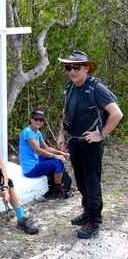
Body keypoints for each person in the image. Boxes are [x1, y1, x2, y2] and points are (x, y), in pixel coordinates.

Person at [57, 50, 123, 239]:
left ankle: (94, 221)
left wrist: (101, 135)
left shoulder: (96, 88)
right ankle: (88, 212)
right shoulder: (70, 87)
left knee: (92, 183)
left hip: (91, 145)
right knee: (81, 182)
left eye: (76, 67)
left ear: (86, 68)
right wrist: (62, 134)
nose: (72, 71)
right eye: (68, 67)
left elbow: (116, 114)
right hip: (74, 142)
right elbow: (65, 112)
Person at [19, 109, 69, 199]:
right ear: (31, 119)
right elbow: (38, 150)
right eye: (36, 119)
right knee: (58, 163)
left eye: (41, 120)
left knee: (54, 160)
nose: (38, 121)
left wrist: (62, 153)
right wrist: (56, 156)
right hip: (30, 169)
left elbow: (46, 148)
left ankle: (58, 184)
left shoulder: (37, 133)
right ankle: (56, 190)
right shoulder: (27, 132)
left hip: (36, 162)